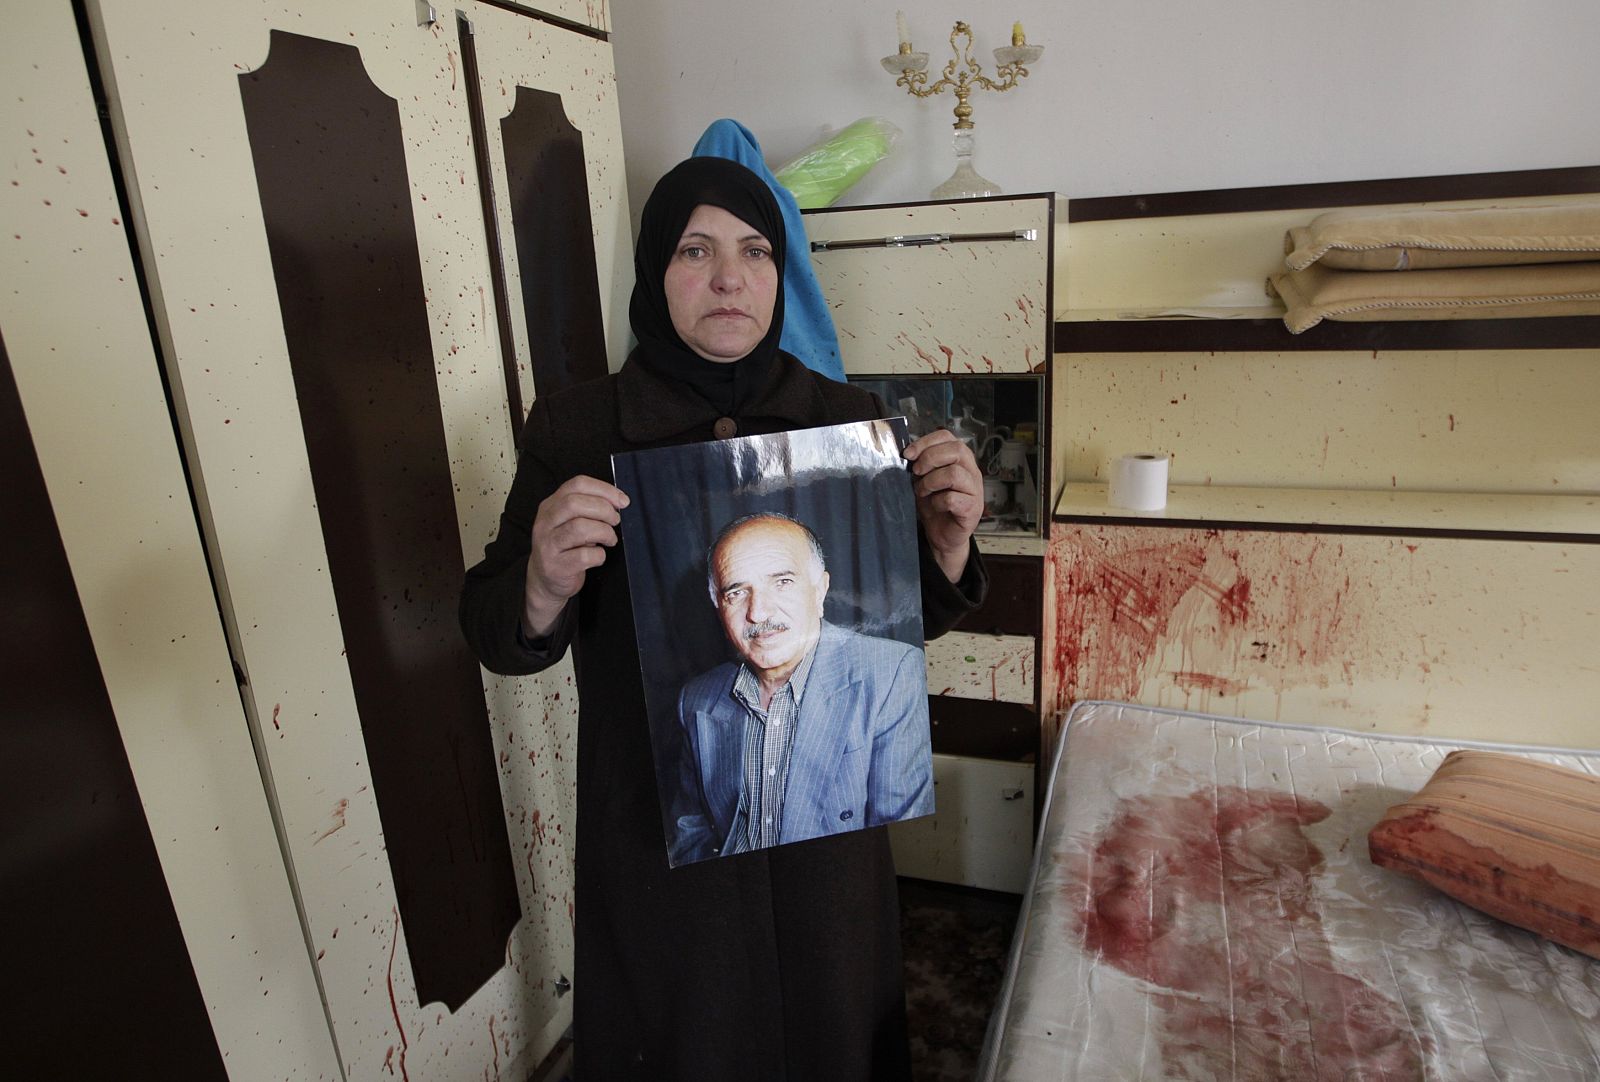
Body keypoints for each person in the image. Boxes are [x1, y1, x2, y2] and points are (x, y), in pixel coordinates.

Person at [459, 156, 985, 1081]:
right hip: (663, 832)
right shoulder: (578, 429)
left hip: (826, 834)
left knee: (832, 1027)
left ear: (781, 275)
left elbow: (899, 623)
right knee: (684, 1038)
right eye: (695, 250)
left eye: (753, 251)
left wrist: (944, 545)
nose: (729, 277)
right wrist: (542, 579)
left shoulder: (845, 420)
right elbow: (496, 629)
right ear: (656, 271)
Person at [670, 512, 932, 865]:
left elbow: (898, 838)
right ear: (719, 607)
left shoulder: (891, 674)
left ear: (820, 589)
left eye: (782, 582)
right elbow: (690, 830)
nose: (759, 612)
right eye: (737, 591)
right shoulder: (697, 698)